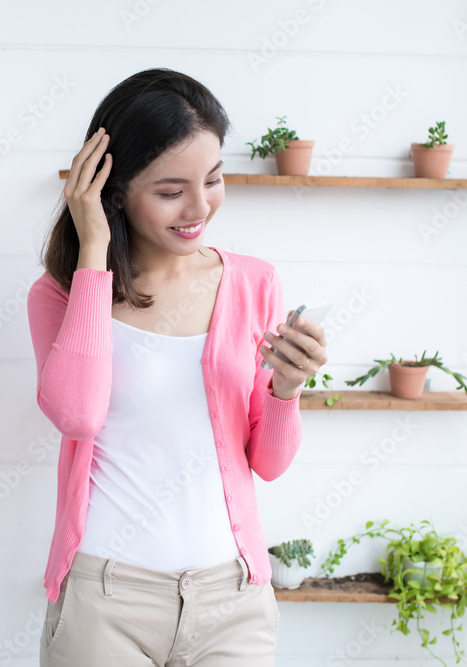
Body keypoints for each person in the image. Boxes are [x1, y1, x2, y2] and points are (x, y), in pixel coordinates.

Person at [27, 68, 328, 666]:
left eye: (213, 180)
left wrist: (286, 388)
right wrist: (92, 253)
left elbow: (267, 464)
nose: (199, 207)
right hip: (105, 603)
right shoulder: (61, 294)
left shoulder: (253, 283)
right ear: (111, 189)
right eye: (170, 191)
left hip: (232, 603)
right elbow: (77, 415)